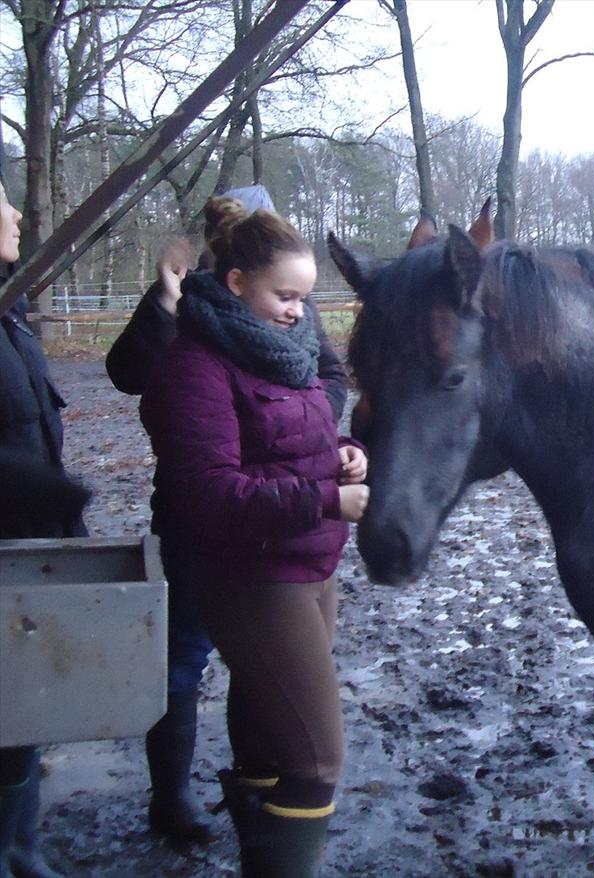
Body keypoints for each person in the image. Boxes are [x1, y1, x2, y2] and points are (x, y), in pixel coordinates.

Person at [105, 187, 347, 845]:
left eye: (303, 298)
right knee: (184, 652)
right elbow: (131, 372)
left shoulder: (287, 314)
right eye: (286, 296)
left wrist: (312, 433)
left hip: (291, 536)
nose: (297, 309)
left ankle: (246, 798)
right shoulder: (194, 323)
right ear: (233, 268)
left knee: (268, 681)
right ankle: (172, 798)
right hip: (215, 529)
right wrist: (162, 299)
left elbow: (327, 375)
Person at [0, 178, 81, 878]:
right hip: (10, 531)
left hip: (23, 544)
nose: (17, 212)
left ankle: (18, 849)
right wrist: (37, 488)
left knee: (15, 710)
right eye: (2, 199)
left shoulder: (9, 314)